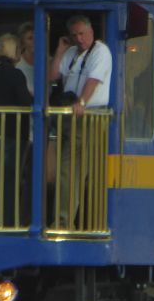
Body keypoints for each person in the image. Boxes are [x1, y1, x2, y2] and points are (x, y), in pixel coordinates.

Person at [49, 15, 112, 229]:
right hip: (71, 116)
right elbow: (53, 75)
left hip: (89, 116)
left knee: (72, 169)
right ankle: (66, 221)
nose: (79, 39)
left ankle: (64, 222)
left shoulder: (101, 52)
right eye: (74, 35)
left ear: (91, 31)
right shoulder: (71, 53)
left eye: (82, 34)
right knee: (70, 170)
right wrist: (59, 49)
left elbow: (94, 80)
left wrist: (82, 102)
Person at [0, 34, 32, 227]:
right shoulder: (16, 74)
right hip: (13, 133)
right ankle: (9, 222)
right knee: (11, 181)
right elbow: (25, 102)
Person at [15, 22, 35, 96]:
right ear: (23, 42)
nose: (35, 41)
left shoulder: (48, 62)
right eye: (30, 38)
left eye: (37, 37)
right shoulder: (16, 63)